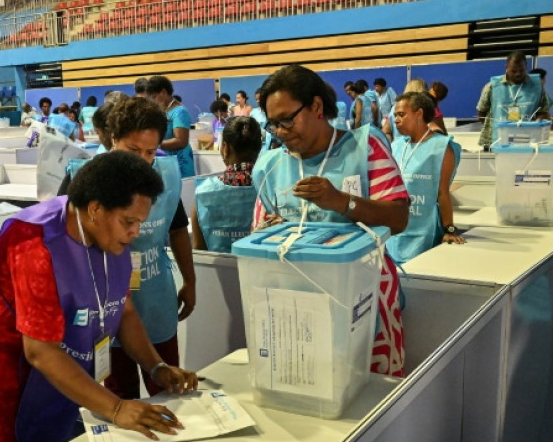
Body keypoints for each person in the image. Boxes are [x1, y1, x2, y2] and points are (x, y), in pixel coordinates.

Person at [0, 150, 198, 442]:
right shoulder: (36, 242)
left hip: (51, 348)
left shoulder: (110, 237)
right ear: (95, 209)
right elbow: (40, 351)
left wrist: (156, 366)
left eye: (139, 222)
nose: (136, 232)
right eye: (128, 222)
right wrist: (115, 407)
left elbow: (124, 310)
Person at [253, 64, 410, 377]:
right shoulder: (270, 165)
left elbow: (399, 217)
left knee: (370, 397)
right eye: (273, 125)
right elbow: (257, 233)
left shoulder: (365, 146)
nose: (281, 132)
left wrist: (341, 202)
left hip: (364, 297)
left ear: (316, 106)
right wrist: (267, 231)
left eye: (287, 119)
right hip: (297, 304)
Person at [59, 97, 196, 400]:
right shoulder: (83, 178)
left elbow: (177, 231)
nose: (142, 160)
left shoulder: (166, 176)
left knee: (167, 387)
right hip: (101, 303)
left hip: (154, 295)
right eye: (133, 150)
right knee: (119, 394)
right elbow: (64, 244)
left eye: (150, 151)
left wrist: (190, 280)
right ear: (112, 139)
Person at [386, 92, 463, 263]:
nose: (396, 120)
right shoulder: (397, 146)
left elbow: (443, 193)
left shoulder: (442, 147)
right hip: (395, 232)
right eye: (395, 115)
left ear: (418, 114)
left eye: (401, 114)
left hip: (424, 232)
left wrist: (449, 229)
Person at [192, 116, 262, 252]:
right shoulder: (269, 188)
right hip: (259, 270)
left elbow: (199, 249)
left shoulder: (203, 192)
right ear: (259, 149)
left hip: (217, 272)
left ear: (225, 148)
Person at [477, 50, 551, 150]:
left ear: (526, 67)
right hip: (496, 141)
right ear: (506, 68)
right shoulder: (492, 86)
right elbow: (481, 113)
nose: (518, 74)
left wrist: (539, 122)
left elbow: (544, 111)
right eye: (514, 71)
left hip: (528, 142)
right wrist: (495, 127)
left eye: (521, 71)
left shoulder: (536, 87)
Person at [146, 75, 195, 178]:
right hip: (166, 161)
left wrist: (155, 145)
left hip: (180, 163)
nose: (153, 101)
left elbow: (181, 141)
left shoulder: (179, 111)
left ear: (164, 92)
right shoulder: (162, 110)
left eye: (154, 97)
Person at [383, 78, 427, 142]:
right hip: (419, 147)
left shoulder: (395, 108)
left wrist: (392, 146)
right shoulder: (423, 108)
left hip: (398, 149)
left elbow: (386, 131)